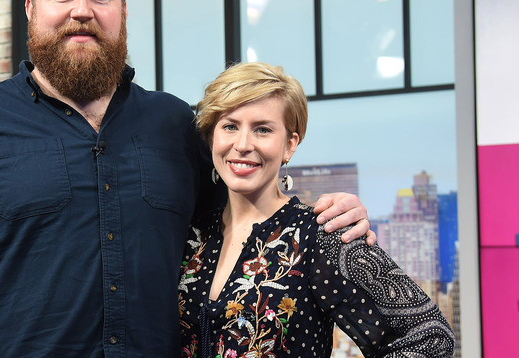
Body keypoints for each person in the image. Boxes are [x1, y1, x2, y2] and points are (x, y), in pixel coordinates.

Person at [0, 0, 374, 357]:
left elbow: (235, 219)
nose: (82, 10)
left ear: (122, 10)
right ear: (31, 9)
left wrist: (324, 215)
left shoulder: (176, 123)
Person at [178, 62, 455, 357]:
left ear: (289, 144)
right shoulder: (190, 233)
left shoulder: (320, 233)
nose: (243, 144)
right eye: (230, 126)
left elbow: (432, 338)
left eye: (262, 130)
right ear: (212, 138)